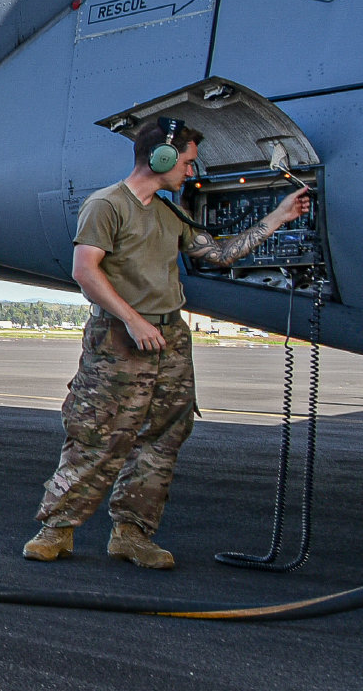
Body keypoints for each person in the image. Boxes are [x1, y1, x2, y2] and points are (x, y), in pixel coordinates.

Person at [23, 117, 309, 569]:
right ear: (162, 158)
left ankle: (132, 534)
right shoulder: (106, 206)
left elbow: (218, 254)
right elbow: (85, 271)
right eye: (188, 162)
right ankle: (56, 529)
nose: (190, 173)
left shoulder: (170, 213)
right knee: (98, 435)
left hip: (169, 338)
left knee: (164, 436)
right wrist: (134, 321)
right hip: (119, 339)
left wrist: (278, 217)